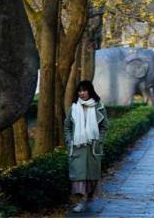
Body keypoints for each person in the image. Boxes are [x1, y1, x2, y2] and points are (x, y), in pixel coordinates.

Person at [64, 80, 109, 213]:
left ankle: (88, 199)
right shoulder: (73, 107)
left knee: (91, 177)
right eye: (79, 91)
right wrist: (69, 141)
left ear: (90, 91)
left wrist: (99, 141)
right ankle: (79, 202)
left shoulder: (98, 107)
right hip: (78, 147)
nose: (81, 93)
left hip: (92, 147)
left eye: (84, 90)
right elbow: (67, 126)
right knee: (78, 176)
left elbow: (105, 126)